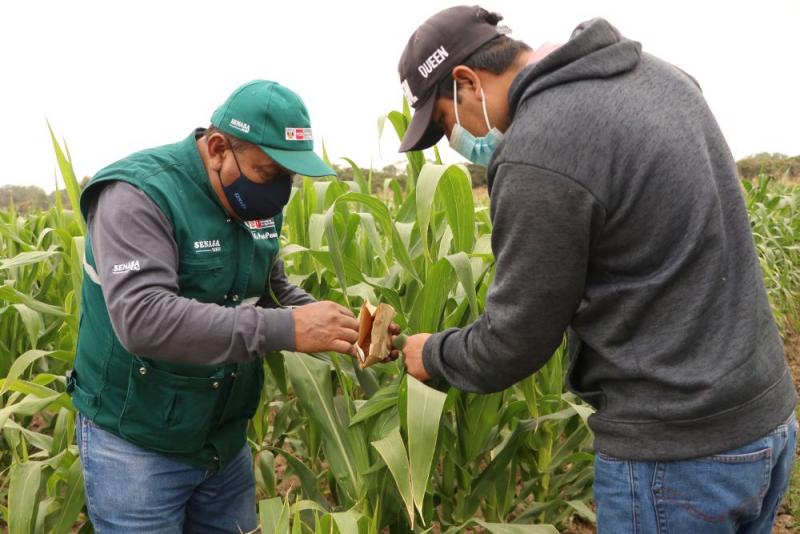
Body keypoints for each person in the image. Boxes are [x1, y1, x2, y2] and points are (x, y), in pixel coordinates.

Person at [394, 6, 797, 533]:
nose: (455, 142)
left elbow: (513, 343)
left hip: (675, 458)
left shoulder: (538, 151)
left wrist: (431, 353)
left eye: (446, 123)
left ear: (467, 82)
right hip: (765, 421)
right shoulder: (663, 77)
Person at [68, 80, 363, 533]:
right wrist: (288, 328)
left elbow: (269, 289)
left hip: (222, 444)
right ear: (219, 149)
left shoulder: (255, 202)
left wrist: (343, 326)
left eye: (289, 177)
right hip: (137, 444)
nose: (279, 192)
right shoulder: (138, 196)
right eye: (269, 172)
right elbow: (144, 319)